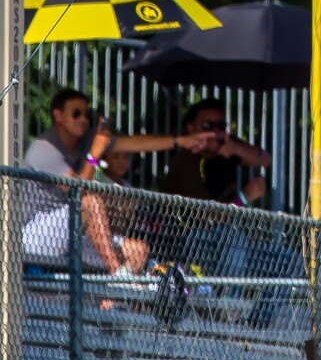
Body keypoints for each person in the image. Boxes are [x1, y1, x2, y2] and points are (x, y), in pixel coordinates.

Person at [21, 88, 197, 272]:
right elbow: (77, 191)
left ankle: (110, 299)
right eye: (76, 114)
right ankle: (116, 275)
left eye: (87, 114)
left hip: (74, 231)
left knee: (137, 250)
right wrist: (95, 152)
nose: (83, 120)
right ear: (58, 115)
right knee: (91, 202)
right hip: (38, 235)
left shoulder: (83, 143)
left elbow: (133, 143)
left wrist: (180, 141)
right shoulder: (44, 149)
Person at [162, 98, 270, 206]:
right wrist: (244, 198)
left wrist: (236, 149)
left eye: (220, 125)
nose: (215, 131)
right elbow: (207, 218)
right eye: (207, 126)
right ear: (191, 128)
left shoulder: (223, 145)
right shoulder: (186, 163)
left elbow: (265, 159)